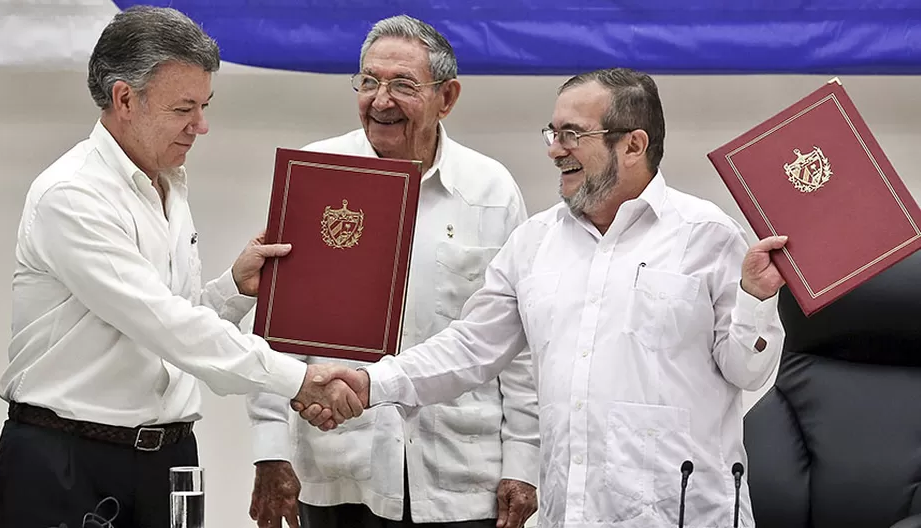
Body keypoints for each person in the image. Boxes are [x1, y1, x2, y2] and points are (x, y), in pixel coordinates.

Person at [303, 68, 789, 527]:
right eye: (552, 133)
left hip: (683, 513)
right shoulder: (534, 243)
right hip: (570, 512)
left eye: (573, 134)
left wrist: (757, 299)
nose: (555, 150)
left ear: (633, 144)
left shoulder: (707, 236)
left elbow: (749, 371)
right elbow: (470, 347)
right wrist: (372, 383)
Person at [0, 7, 361, 528]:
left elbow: (168, 327)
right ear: (124, 98)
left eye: (205, 105)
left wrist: (234, 289)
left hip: (168, 459)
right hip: (70, 461)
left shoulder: (168, 182)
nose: (201, 126)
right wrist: (298, 379)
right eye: (184, 108)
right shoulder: (72, 194)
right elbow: (165, 324)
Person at [245, 14, 540, 528]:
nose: (380, 100)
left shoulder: (491, 190)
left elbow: (517, 343)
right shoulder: (317, 174)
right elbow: (277, 334)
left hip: (462, 478)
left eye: (403, 84)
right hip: (341, 470)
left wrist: (523, 460)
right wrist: (271, 451)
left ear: (446, 97)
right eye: (368, 82)